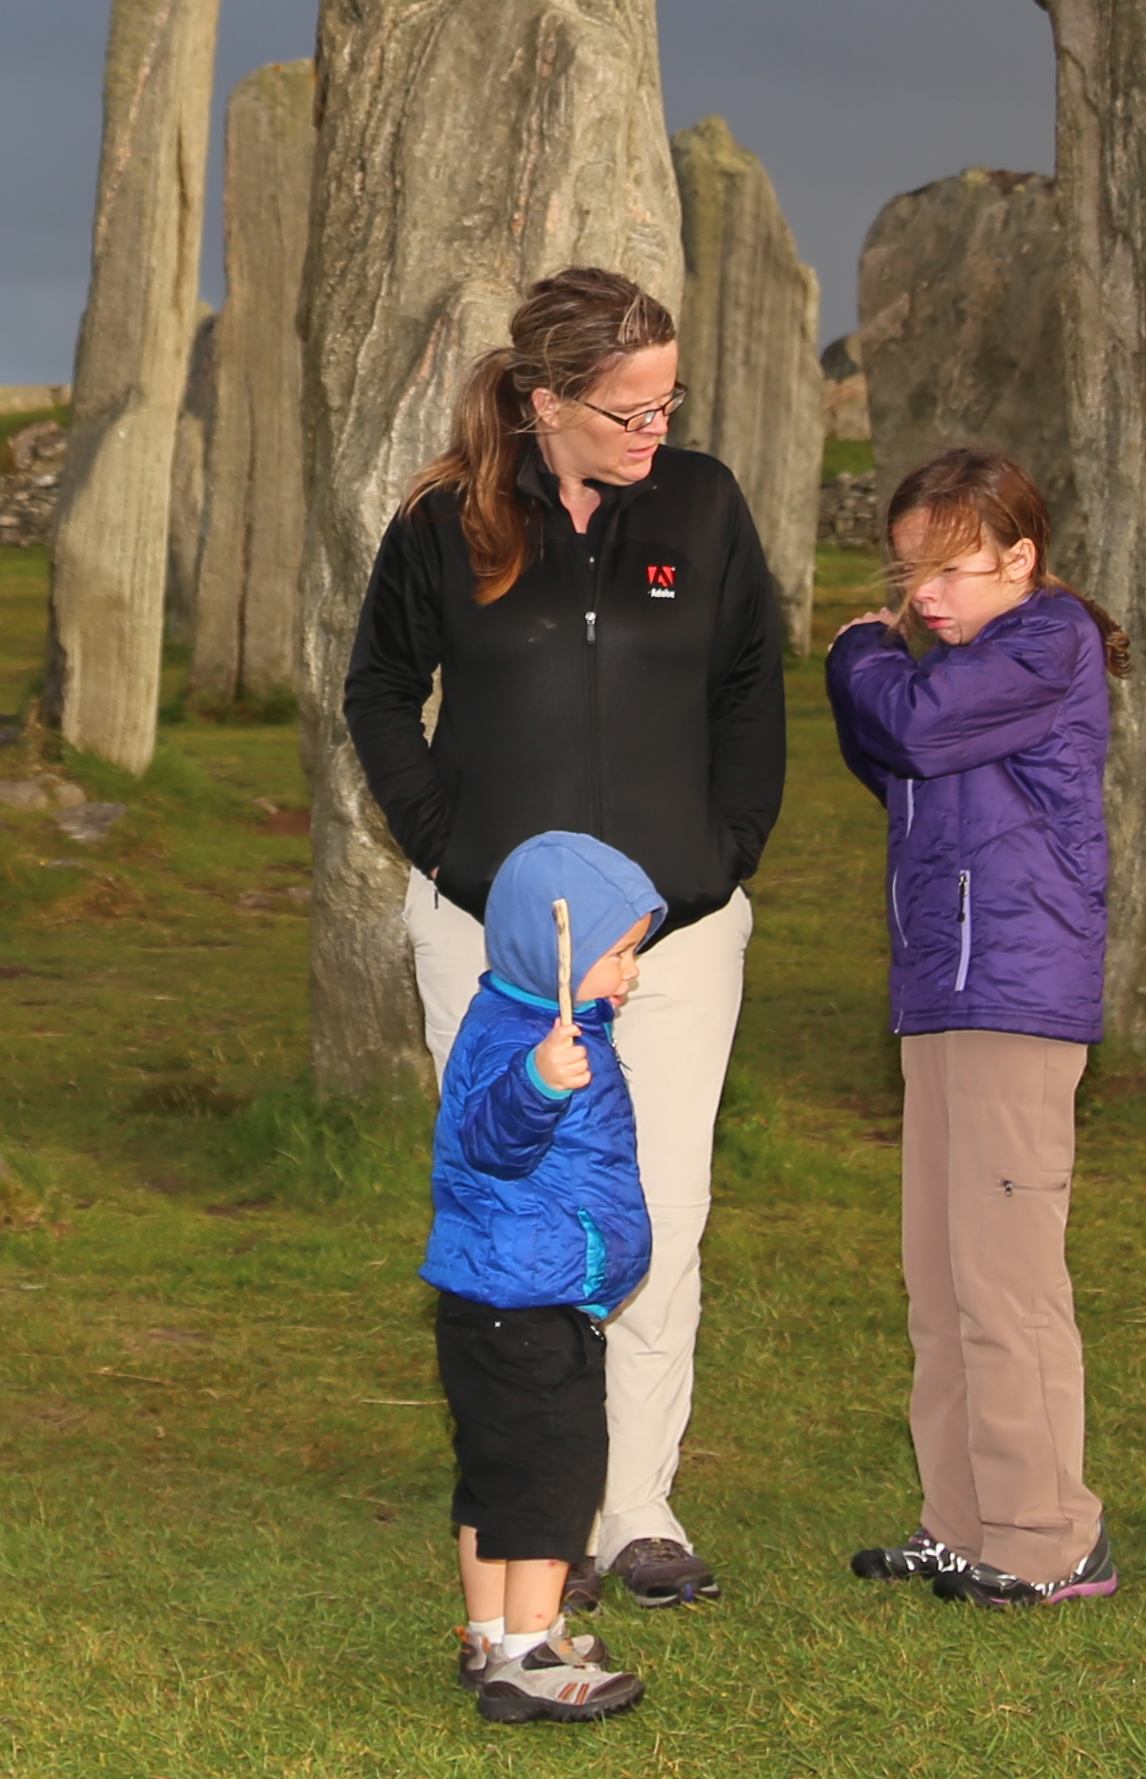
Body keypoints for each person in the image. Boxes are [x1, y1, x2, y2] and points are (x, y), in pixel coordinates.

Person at [342, 261, 786, 1611]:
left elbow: (754, 683)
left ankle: (634, 1508)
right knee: (520, 1213)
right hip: (494, 951)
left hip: (677, 940)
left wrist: (720, 861)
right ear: (543, 400)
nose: (654, 433)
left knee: (663, 1210)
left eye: (667, 405)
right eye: (625, 411)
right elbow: (375, 691)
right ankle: (536, 1511)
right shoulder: (442, 522)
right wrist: (449, 848)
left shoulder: (701, 505)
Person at [824, 443, 1126, 1611]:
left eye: (949, 572)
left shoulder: (1043, 642)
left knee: (1006, 1280)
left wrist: (860, 648)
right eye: (908, 578)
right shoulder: (959, 667)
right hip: (942, 990)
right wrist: (879, 677)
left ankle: (1052, 1537)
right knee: (942, 1278)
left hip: (1015, 990)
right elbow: (887, 747)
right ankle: (965, 1522)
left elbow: (903, 722)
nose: (924, 599)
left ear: (1022, 557)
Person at [425, 828, 667, 1727]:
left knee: (494, 1476)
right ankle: (530, 1654)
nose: (631, 971)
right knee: (550, 1478)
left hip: (498, 1299)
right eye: (618, 953)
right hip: (526, 1307)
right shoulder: (522, 1043)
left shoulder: (534, 1015)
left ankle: (490, 1633)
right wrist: (538, 1082)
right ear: (551, 946)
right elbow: (490, 1139)